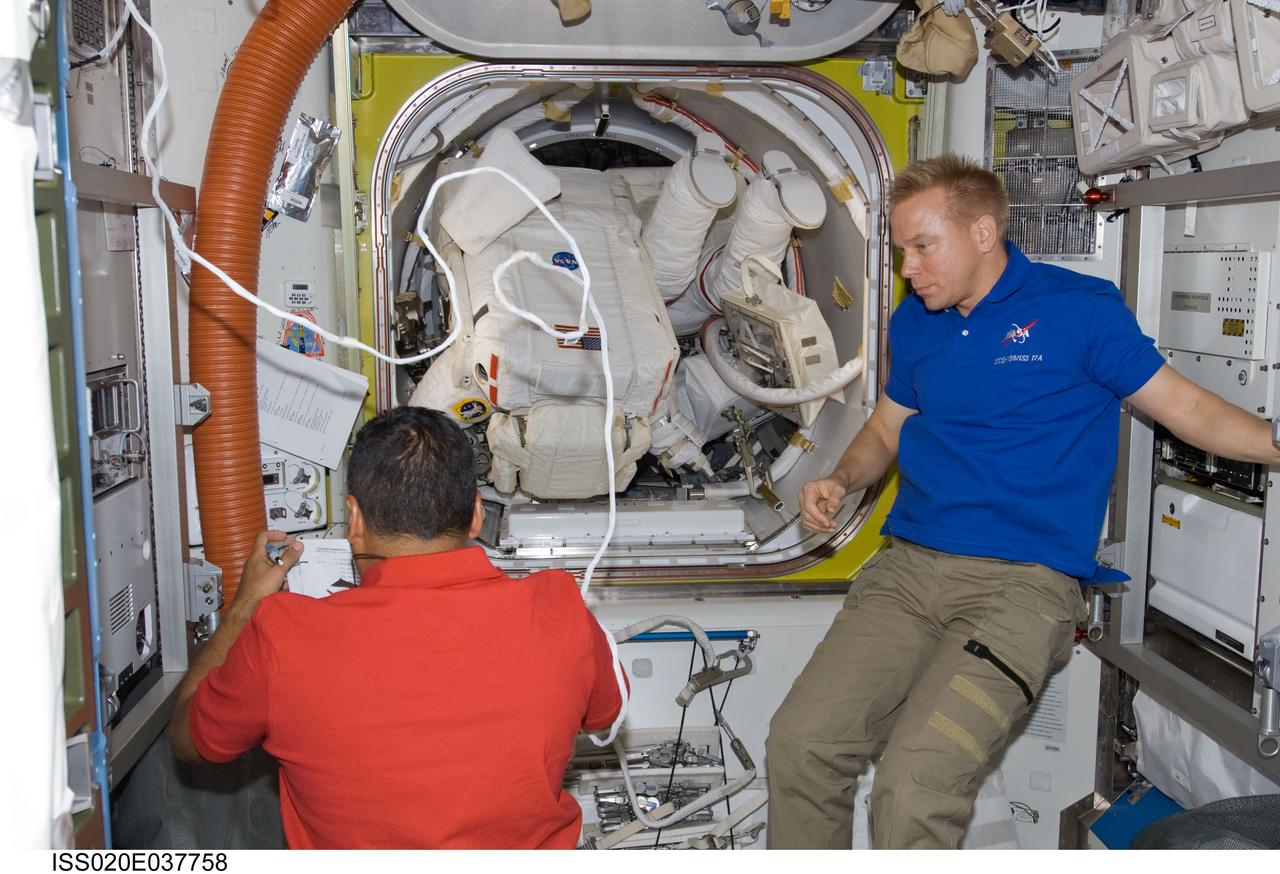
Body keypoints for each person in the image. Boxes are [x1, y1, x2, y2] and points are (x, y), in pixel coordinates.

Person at [765, 154, 1280, 849]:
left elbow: (1188, 409)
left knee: (913, 788)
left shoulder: (1080, 313)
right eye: (901, 250)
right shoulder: (917, 322)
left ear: (983, 233)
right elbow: (886, 427)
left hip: (1020, 588)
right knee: (802, 745)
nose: (908, 269)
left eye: (923, 247)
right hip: (908, 573)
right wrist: (842, 478)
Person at [169, 407, 625, 848]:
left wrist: (246, 604)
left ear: (354, 519)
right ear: (476, 514)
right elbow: (606, 714)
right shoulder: (560, 610)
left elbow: (189, 740)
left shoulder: (281, 637)